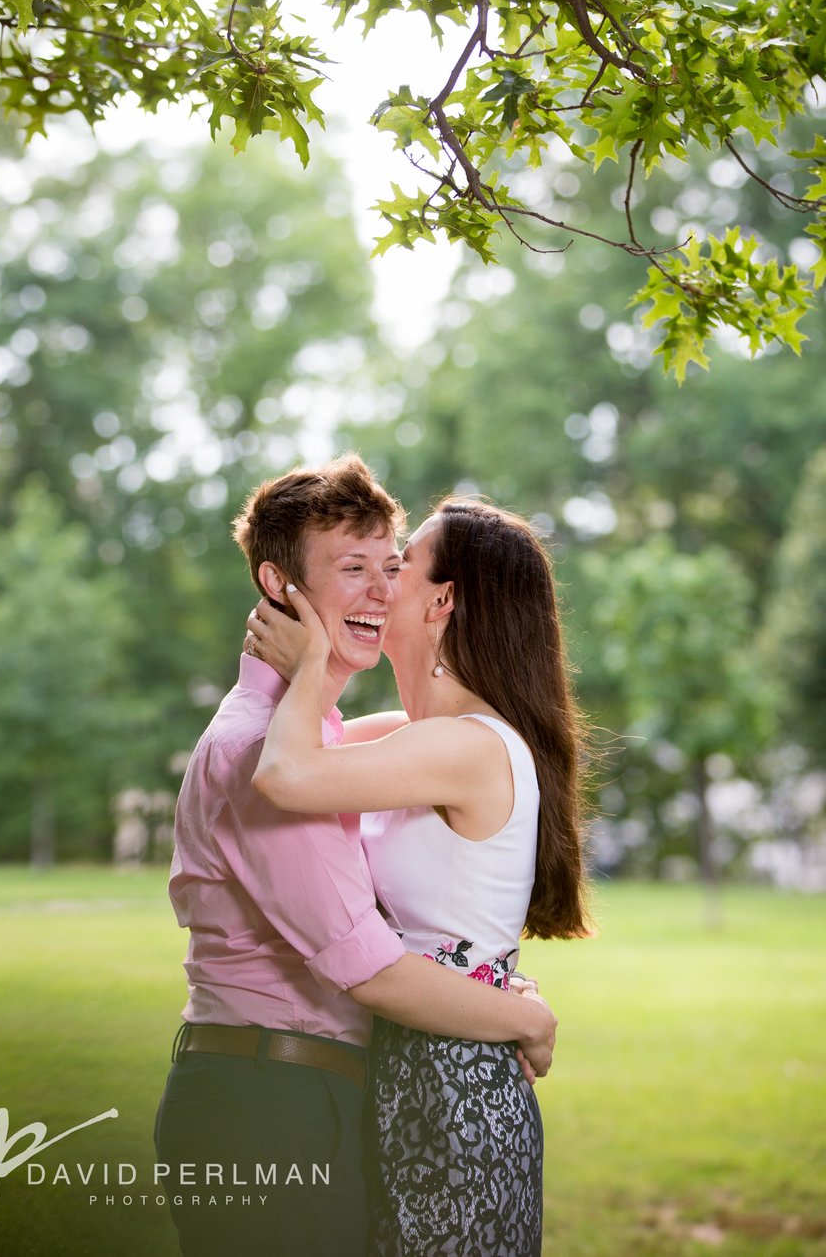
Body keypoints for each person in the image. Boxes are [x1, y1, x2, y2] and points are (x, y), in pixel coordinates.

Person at [154, 458, 556, 1257]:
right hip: (269, 1100)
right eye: (355, 569)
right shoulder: (257, 751)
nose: (380, 588)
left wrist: (484, 968)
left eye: (392, 565)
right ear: (279, 586)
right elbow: (366, 966)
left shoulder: (343, 740)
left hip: (340, 1089)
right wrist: (527, 1016)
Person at [249, 497, 592, 1257]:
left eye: (400, 565)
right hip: (406, 1069)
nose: (381, 581)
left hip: (456, 1087)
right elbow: (306, 742)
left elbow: (287, 773)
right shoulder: (420, 737)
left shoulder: (470, 747)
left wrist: (308, 664)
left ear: (440, 601)